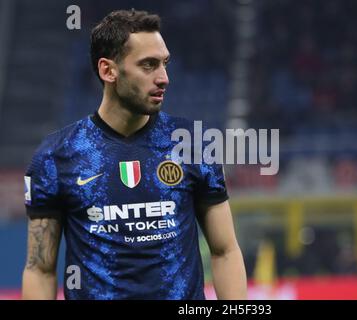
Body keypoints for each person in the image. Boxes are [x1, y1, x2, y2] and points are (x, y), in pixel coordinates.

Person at [21, 9, 247, 300]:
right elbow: (40, 269)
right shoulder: (55, 157)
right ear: (108, 70)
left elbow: (225, 250)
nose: (164, 78)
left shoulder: (193, 144)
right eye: (148, 65)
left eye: (165, 64)